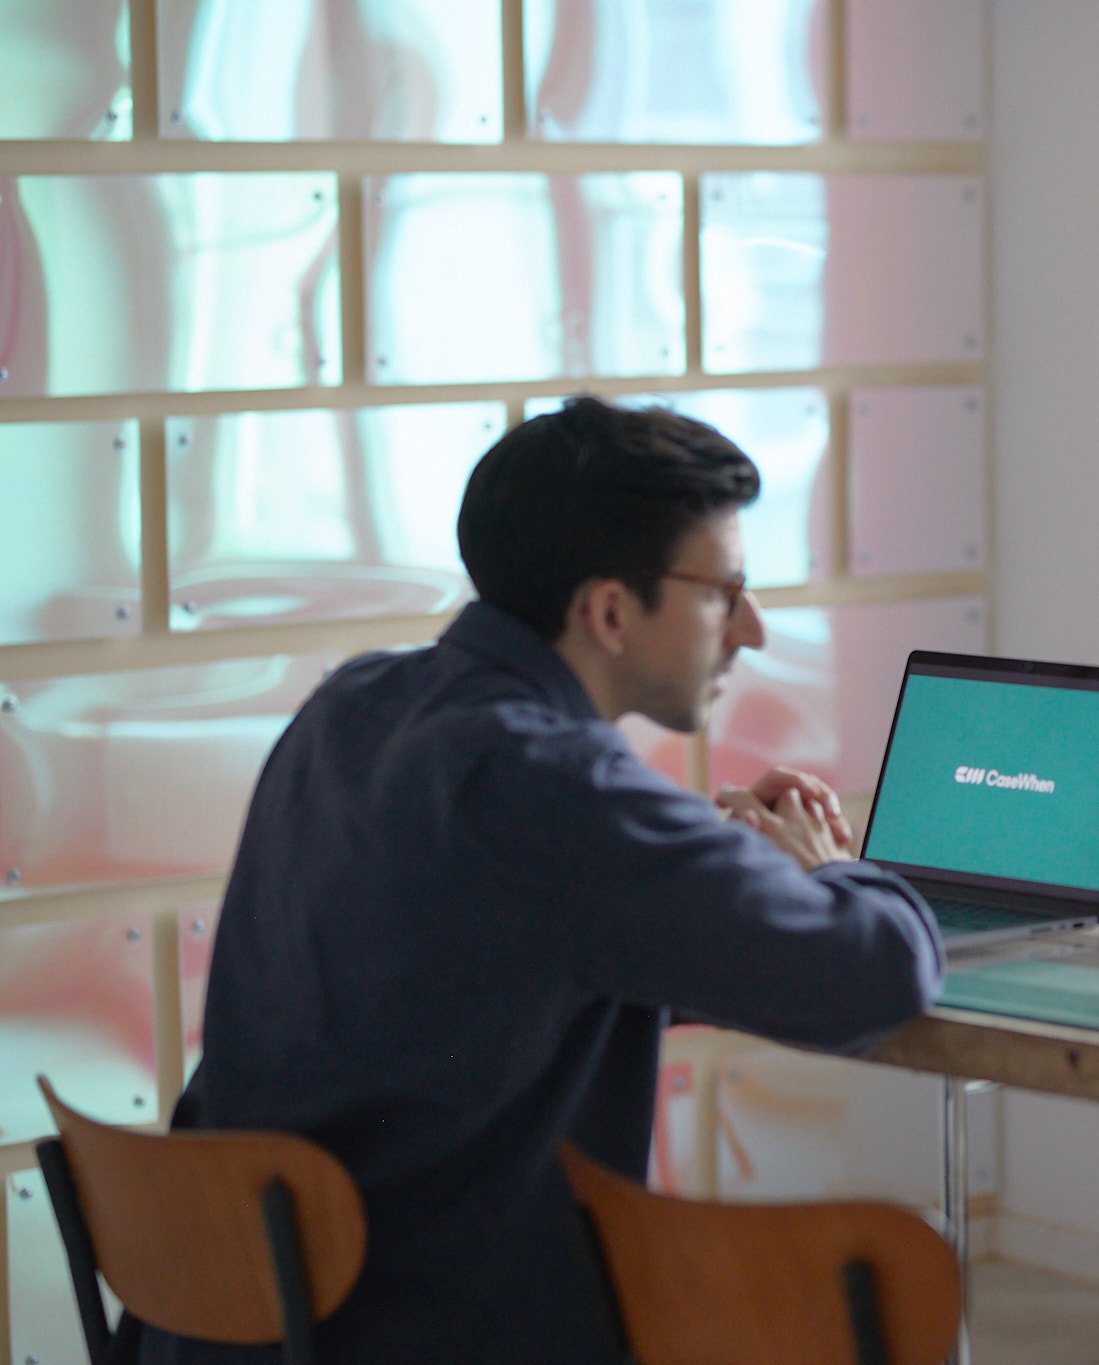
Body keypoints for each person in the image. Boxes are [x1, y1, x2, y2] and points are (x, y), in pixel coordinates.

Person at [148, 397, 943, 1363]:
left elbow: (499, 952)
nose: (754, 629)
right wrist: (835, 869)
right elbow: (876, 972)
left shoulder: (355, 702)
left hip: (240, 1315)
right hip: (429, 1328)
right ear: (609, 611)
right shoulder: (560, 790)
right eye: (722, 591)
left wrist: (709, 878)